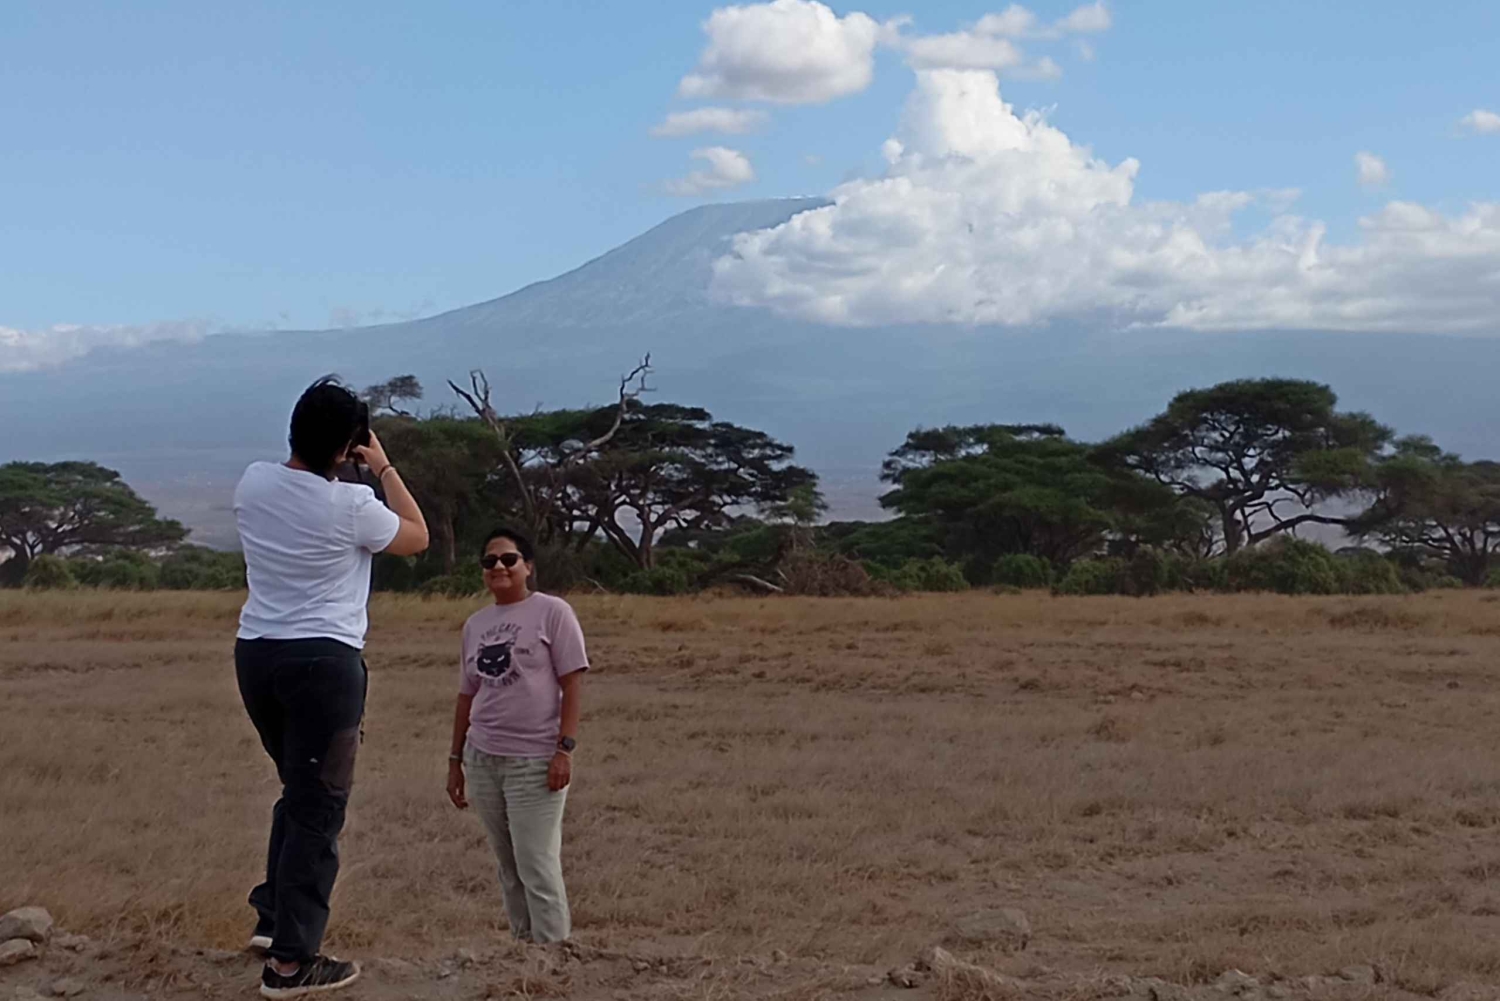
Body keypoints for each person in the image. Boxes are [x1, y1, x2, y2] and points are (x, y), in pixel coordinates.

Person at [234, 377, 428, 999]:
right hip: (325, 664)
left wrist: (344, 459)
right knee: (319, 810)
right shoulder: (353, 506)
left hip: (257, 656)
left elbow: (303, 480)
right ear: (349, 446)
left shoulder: (253, 482)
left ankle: (274, 920)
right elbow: (416, 537)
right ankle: (292, 964)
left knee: (298, 791)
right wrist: (385, 466)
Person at [446, 527, 588, 945]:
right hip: (484, 757)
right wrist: (455, 760)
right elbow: (466, 695)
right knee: (508, 866)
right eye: (490, 562)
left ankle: (554, 957)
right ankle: (522, 953)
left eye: (509, 559)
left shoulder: (552, 612)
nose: (499, 568)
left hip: (535, 761)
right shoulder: (475, 625)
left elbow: (573, 683)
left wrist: (564, 749)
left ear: (528, 567)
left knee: (537, 866)